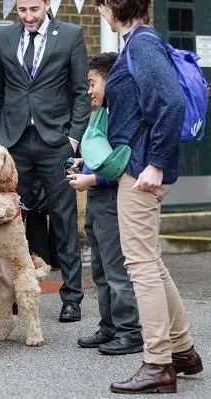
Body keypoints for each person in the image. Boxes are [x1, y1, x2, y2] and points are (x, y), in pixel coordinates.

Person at [97, 0, 202, 394]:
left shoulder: (141, 44)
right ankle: (183, 352)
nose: (100, 10)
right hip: (140, 166)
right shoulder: (137, 43)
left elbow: (171, 102)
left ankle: (158, 363)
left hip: (141, 170)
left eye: (102, 3)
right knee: (151, 263)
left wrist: (155, 162)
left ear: (115, 5)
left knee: (139, 264)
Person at [0, 0, 91, 322]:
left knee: (63, 218)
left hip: (55, 141)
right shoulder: (3, 38)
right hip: (13, 141)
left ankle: (71, 297)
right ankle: (8, 295)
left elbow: (80, 93)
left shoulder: (71, 35)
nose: (28, 17)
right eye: (22, 10)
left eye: (34, 8)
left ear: (47, 4)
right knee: (7, 220)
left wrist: (73, 138)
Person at [68, 52, 143, 355]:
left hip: (110, 200)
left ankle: (130, 332)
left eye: (92, 83)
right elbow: (103, 155)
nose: (89, 90)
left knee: (116, 271)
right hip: (97, 201)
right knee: (99, 270)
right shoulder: (102, 113)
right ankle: (109, 326)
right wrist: (83, 163)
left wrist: (91, 180)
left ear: (110, 81)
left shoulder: (120, 115)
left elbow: (122, 164)